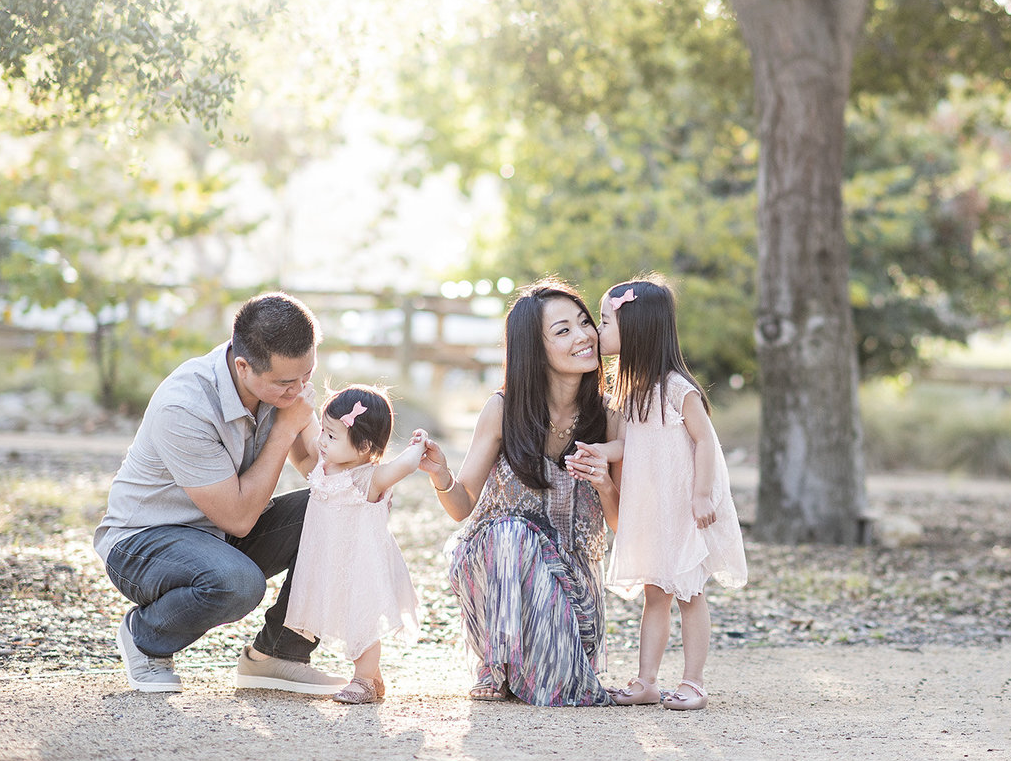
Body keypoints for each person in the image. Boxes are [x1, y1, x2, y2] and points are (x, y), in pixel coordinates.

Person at [94, 291, 346, 695]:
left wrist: (365, 468)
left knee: (339, 509)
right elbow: (240, 518)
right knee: (239, 583)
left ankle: (279, 656)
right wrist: (284, 429)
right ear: (243, 366)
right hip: (144, 541)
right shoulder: (185, 406)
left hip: (218, 535)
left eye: (307, 376)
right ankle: (143, 635)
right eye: (287, 382)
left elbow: (311, 464)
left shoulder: (282, 386)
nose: (300, 390)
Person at [418, 278, 620, 706]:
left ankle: (532, 663)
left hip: (571, 589)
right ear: (533, 348)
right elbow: (461, 507)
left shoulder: (608, 417)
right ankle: (495, 661)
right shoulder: (503, 410)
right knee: (512, 532)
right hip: (496, 577)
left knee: (562, 686)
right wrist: (440, 474)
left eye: (585, 323)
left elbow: (621, 523)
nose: (584, 336)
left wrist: (603, 482)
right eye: (563, 330)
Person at [593, 276, 747, 712]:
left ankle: (694, 682)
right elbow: (636, 446)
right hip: (654, 509)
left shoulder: (679, 388)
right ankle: (646, 681)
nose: (598, 331)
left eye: (606, 321)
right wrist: (601, 450)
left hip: (683, 508)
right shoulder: (632, 391)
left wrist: (702, 495)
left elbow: (705, 442)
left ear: (636, 328)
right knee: (654, 595)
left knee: (690, 594)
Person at [283, 385, 426, 704]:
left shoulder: (368, 479)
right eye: (325, 430)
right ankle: (372, 679)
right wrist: (303, 405)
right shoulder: (323, 467)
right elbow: (309, 434)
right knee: (340, 617)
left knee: (360, 620)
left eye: (332, 436)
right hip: (328, 561)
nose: (322, 440)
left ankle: (362, 678)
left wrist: (417, 448)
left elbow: (401, 467)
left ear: (363, 447)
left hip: (361, 564)